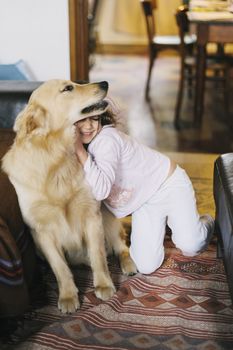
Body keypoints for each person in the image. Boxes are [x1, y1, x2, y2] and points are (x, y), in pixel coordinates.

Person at [74, 107, 214, 275]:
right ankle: (170, 222)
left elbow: (101, 190)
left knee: (191, 245)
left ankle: (206, 223)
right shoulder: (81, 148)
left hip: (169, 184)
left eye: (94, 118)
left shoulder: (106, 140)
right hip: (143, 202)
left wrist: (79, 150)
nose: (89, 125)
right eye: (82, 119)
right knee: (146, 266)